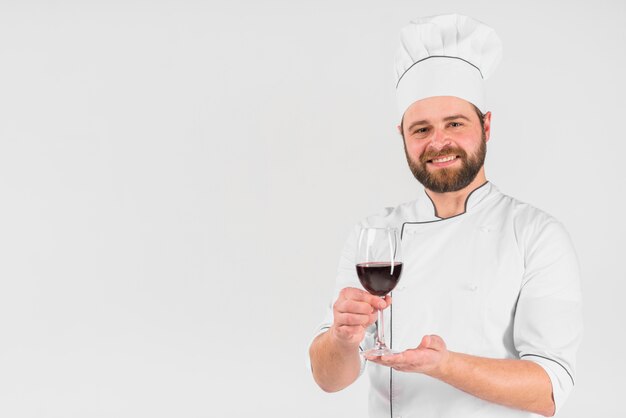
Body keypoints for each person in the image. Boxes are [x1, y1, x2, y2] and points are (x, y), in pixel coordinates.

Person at [308, 14, 582, 418]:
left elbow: (549, 391)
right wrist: (342, 338)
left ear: (486, 127)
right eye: (421, 129)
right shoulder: (375, 234)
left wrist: (443, 365)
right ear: (403, 136)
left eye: (454, 123)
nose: (439, 142)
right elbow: (328, 378)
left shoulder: (536, 235)